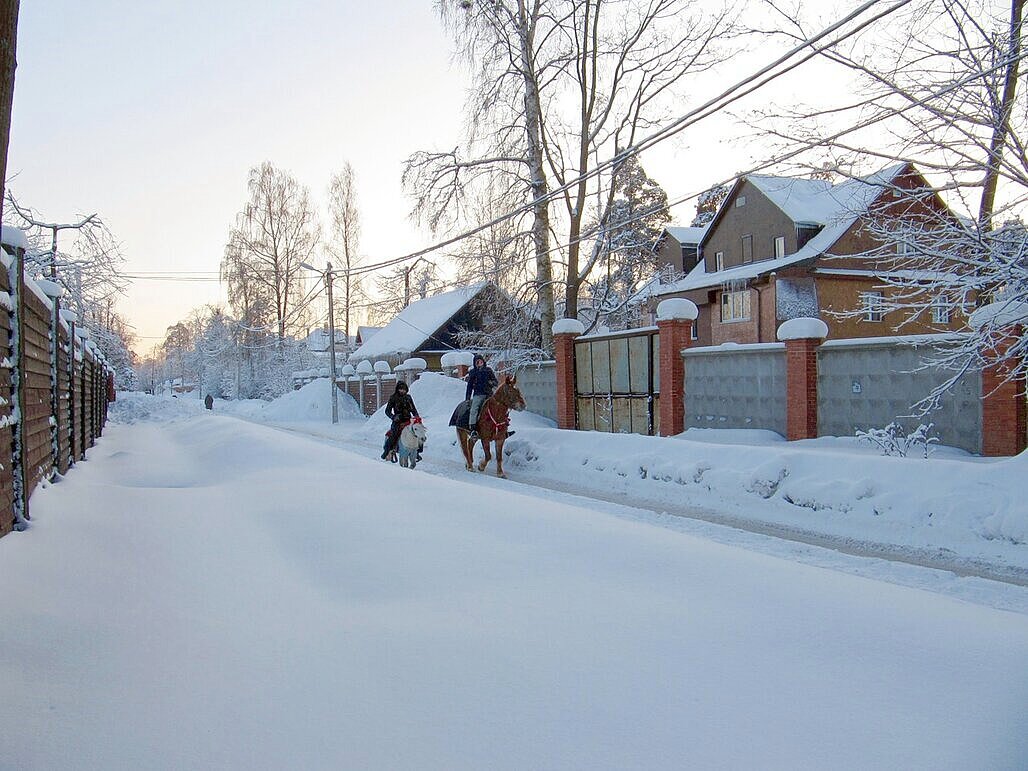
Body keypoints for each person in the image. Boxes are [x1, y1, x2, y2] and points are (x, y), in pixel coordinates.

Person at [381, 381, 419, 460]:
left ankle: (417, 452)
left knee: (418, 432)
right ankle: (387, 450)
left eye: (404, 389)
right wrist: (393, 417)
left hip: (408, 420)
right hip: (397, 421)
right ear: (397, 389)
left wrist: (416, 416)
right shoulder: (393, 398)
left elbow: (413, 409)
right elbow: (387, 411)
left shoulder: (408, 398)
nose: (402, 391)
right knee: (394, 434)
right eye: (400, 389)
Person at [465, 354, 498, 438]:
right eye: (477, 362)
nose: (479, 363)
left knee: (498, 407)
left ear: (483, 362)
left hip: (489, 394)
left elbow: (495, 382)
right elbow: (469, 386)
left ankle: (502, 427)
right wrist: (468, 398)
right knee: (474, 409)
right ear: (475, 363)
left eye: (481, 361)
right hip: (478, 394)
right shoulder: (473, 372)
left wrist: (492, 383)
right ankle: (473, 429)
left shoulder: (488, 370)